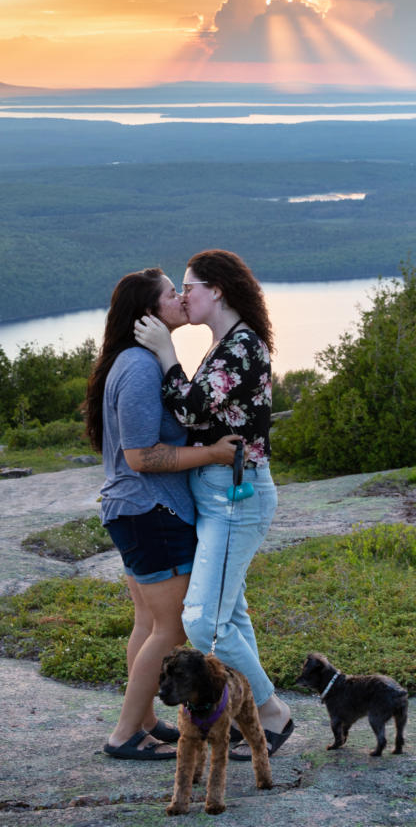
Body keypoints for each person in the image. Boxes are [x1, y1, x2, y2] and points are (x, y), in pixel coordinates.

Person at [133, 249, 294, 760]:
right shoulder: (227, 343)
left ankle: (270, 712)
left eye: (190, 287)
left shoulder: (241, 346)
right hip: (218, 493)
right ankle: (260, 716)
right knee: (232, 614)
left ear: (217, 289)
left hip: (234, 497)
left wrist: (164, 352)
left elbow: (191, 408)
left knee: (204, 623)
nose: (183, 296)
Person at [86, 268, 239, 760]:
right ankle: (126, 734)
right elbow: (141, 456)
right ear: (149, 311)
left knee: (147, 624)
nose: (180, 297)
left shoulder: (140, 361)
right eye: (172, 293)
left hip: (138, 512)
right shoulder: (138, 368)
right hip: (151, 512)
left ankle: (146, 722)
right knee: (171, 629)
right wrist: (214, 454)